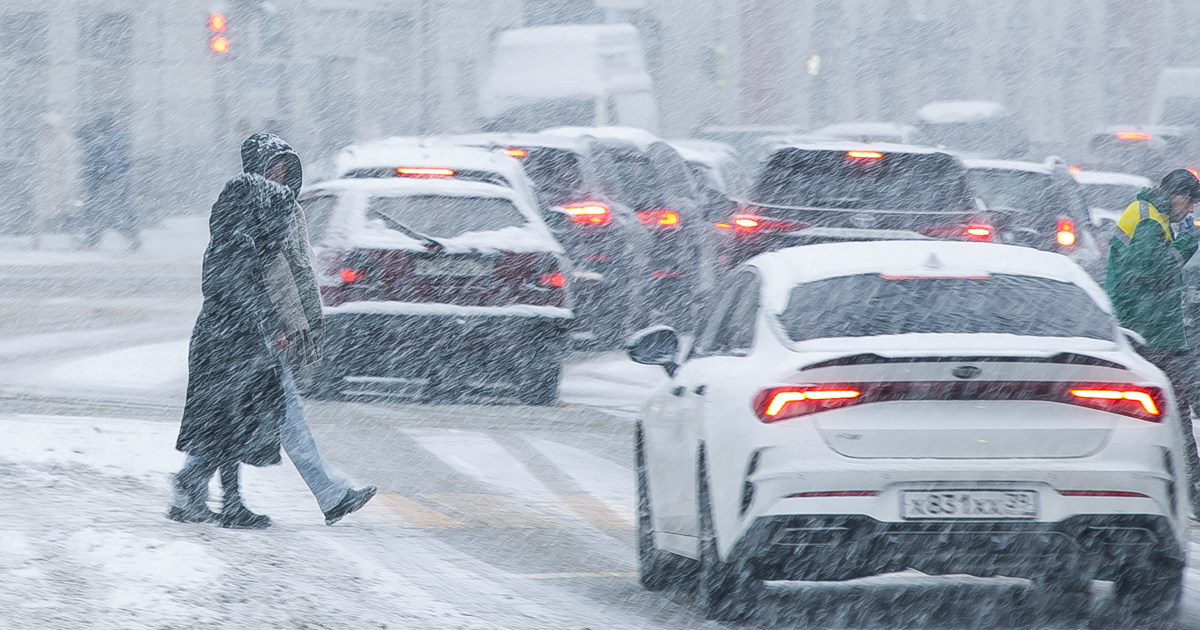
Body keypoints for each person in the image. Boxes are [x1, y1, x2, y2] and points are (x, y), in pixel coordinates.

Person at [169, 133, 375, 529]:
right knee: (265, 416)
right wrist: (274, 325)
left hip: (242, 337)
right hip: (237, 339)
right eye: (273, 168)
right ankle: (323, 495)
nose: (280, 176)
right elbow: (242, 283)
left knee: (232, 420)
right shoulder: (245, 224)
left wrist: (287, 325)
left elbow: (270, 278)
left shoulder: (261, 219)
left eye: (285, 168)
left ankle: (203, 492)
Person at [1106, 168, 1200, 514]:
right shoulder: (1149, 221)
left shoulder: (1148, 213)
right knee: (1172, 410)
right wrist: (1189, 243)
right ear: (1176, 195)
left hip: (1147, 328)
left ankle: (1180, 488)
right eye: (1189, 203)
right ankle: (1189, 490)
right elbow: (1151, 271)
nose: (1190, 211)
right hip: (1150, 331)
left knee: (1164, 410)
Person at [78, 116, 141, 251]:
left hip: (108, 182)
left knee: (99, 212)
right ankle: (135, 241)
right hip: (119, 180)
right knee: (122, 211)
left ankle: (94, 242)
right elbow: (123, 160)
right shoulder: (118, 138)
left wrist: (99, 178)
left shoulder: (104, 142)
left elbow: (105, 163)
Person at [30, 113, 79, 250]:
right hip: (45, 183)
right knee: (40, 213)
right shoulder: (42, 141)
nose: (45, 129)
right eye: (43, 126)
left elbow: (69, 163)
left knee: (67, 213)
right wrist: (36, 179)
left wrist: (68, 182)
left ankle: (74, 239)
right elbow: (38, 162)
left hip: (59, 183)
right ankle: (36, 242)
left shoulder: (65, 141)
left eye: (48, 127)